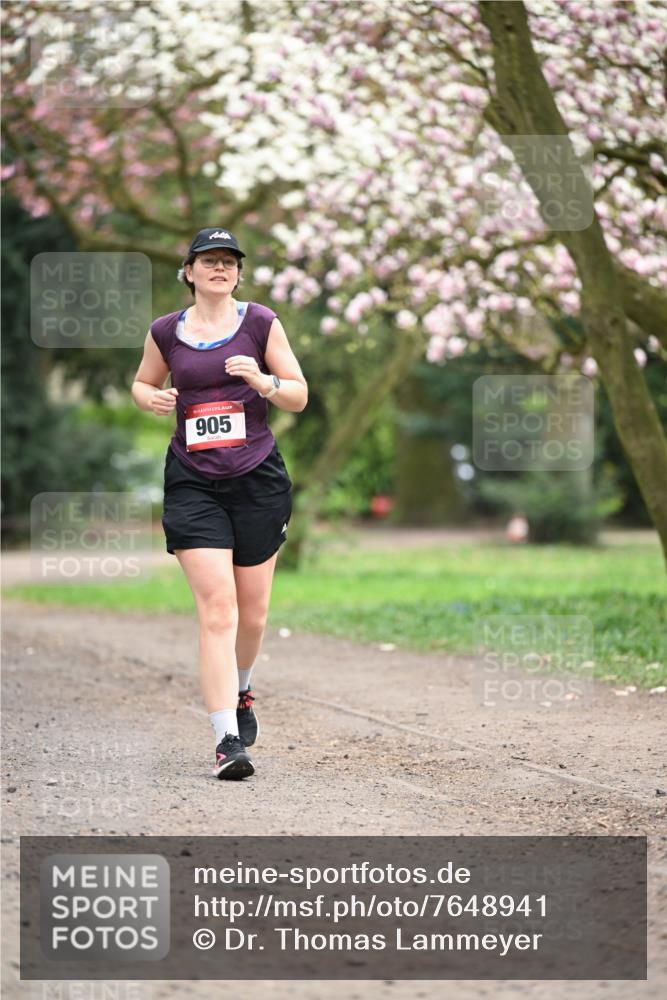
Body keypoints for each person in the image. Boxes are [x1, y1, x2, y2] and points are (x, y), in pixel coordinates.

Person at [131, 228, 308, 781]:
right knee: (219, 610)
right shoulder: (165, 332)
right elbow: (141, 382)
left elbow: (299, 394)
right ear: (188, 272)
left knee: (252, 615)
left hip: (257, 478)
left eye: (229, 261)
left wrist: (263, 381)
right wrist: (152, 399)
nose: (220, 268)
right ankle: (226, 739)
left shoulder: (260, 323)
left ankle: (244, 687)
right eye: (209, 260)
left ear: (238, 272)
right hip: (193, 481)